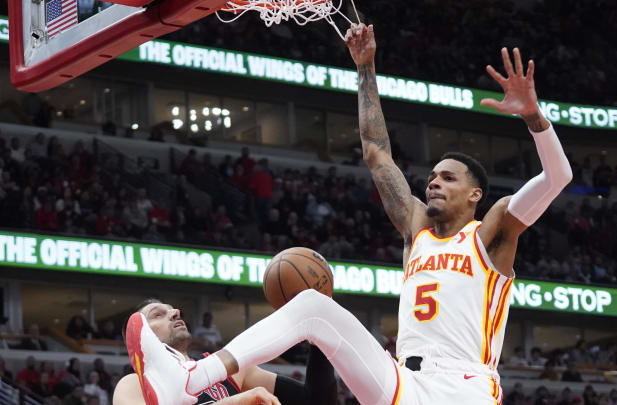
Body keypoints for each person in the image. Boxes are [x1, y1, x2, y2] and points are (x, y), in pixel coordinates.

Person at [123, 26, 571, 405]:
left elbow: (556, 178)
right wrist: (365, 68)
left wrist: (535, 118)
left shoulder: (491, 231)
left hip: (463, 386)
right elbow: (377, 153)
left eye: (448, 178)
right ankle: (188, 381)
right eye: (432, 175)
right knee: (316, 308)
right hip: (403, 382)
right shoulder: (416, 229)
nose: (433, 181)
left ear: (475, 193)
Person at [113, 299, 337, 405]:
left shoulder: (234, 371)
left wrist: (319, 334)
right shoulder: (132, 384)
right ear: (139, 337)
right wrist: (237, 402)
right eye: (157, 315)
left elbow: (316, 401)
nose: (175, 312)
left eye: (172, 309)